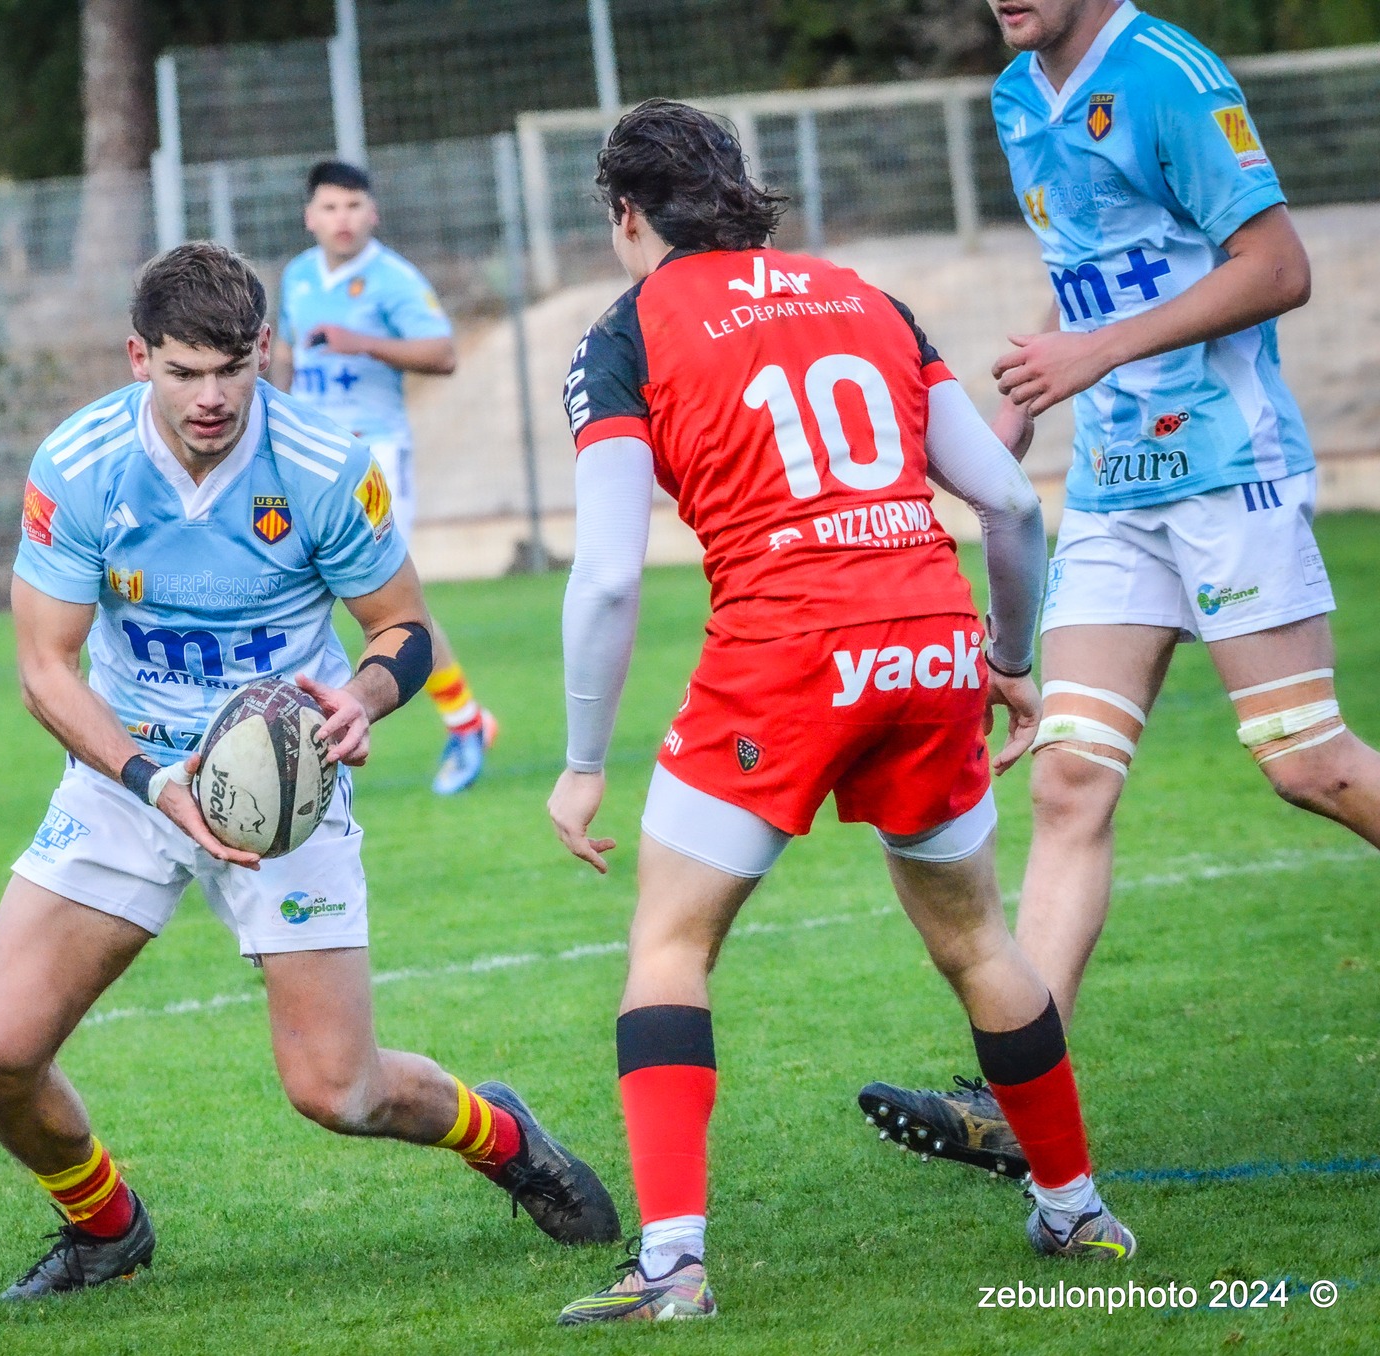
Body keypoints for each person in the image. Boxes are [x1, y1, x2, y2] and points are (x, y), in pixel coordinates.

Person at [545, 101, 1137, 1326]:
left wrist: (581, 759)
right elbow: (1007, 505)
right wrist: (1004, 656)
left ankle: (672, 1266)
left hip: (784, 649)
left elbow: (603, 574)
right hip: (926, 638)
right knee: (977, 942)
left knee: (670, 944)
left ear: (625, 214)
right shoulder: (865, 297)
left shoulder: (626, 329)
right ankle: (1076, 1210)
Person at [0, 242, 621, 1302]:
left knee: (338, 1093)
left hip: (288, 789)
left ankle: (498, 1133)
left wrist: (363, 698)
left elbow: (404, 628)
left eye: (232, 367)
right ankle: (106, 1227)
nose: (211, 396)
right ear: (138, 358)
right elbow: (45, 669)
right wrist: (151, 779)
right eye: (184, 371)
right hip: (131, 772)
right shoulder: (80, 464)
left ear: (263, 349)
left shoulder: (323, 464)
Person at [859, 0, 1379, 1176]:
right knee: (1068, 783)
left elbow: (1276, 266)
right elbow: (1085, 268)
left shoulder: (1165, 75)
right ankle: (1018, 1099)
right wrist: (1021, 400)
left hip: (1225, 471)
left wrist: (1095, 352)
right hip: (1110, 488)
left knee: (1305, 762)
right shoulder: (1015, 95)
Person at [269, 161, 497, 796]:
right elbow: (285, 353)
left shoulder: (393, 279)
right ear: (310, 217)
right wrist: (274, 417)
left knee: (393, 602)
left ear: (372, 213)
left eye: (353, 206)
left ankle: (465, 722)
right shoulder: (298, 275)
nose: (341, 219)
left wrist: (362, 341)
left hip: (375, 457)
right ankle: (278, 731)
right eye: (329, 207)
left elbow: (442, 353)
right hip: (307, 459)